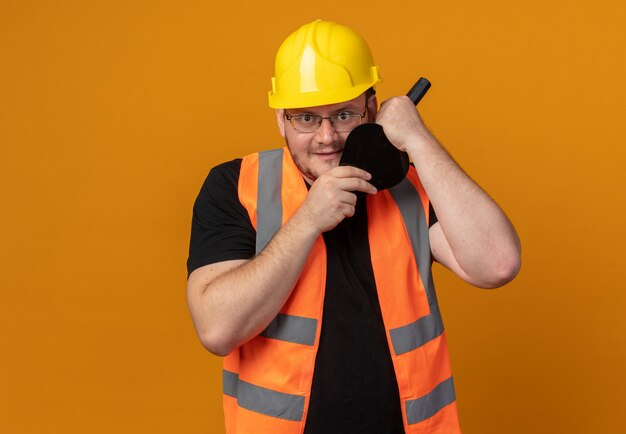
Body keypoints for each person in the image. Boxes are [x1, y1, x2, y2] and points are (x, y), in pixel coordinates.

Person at [186, 19, 521, 434]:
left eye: (343, 115)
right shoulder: (235, 186)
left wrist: (419, 139)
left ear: (372, 109)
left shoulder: (407, 186)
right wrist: (308, 219)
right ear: (281, 120)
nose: (327, 137)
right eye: (306, 119)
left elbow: (498, 263)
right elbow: (217, 329)